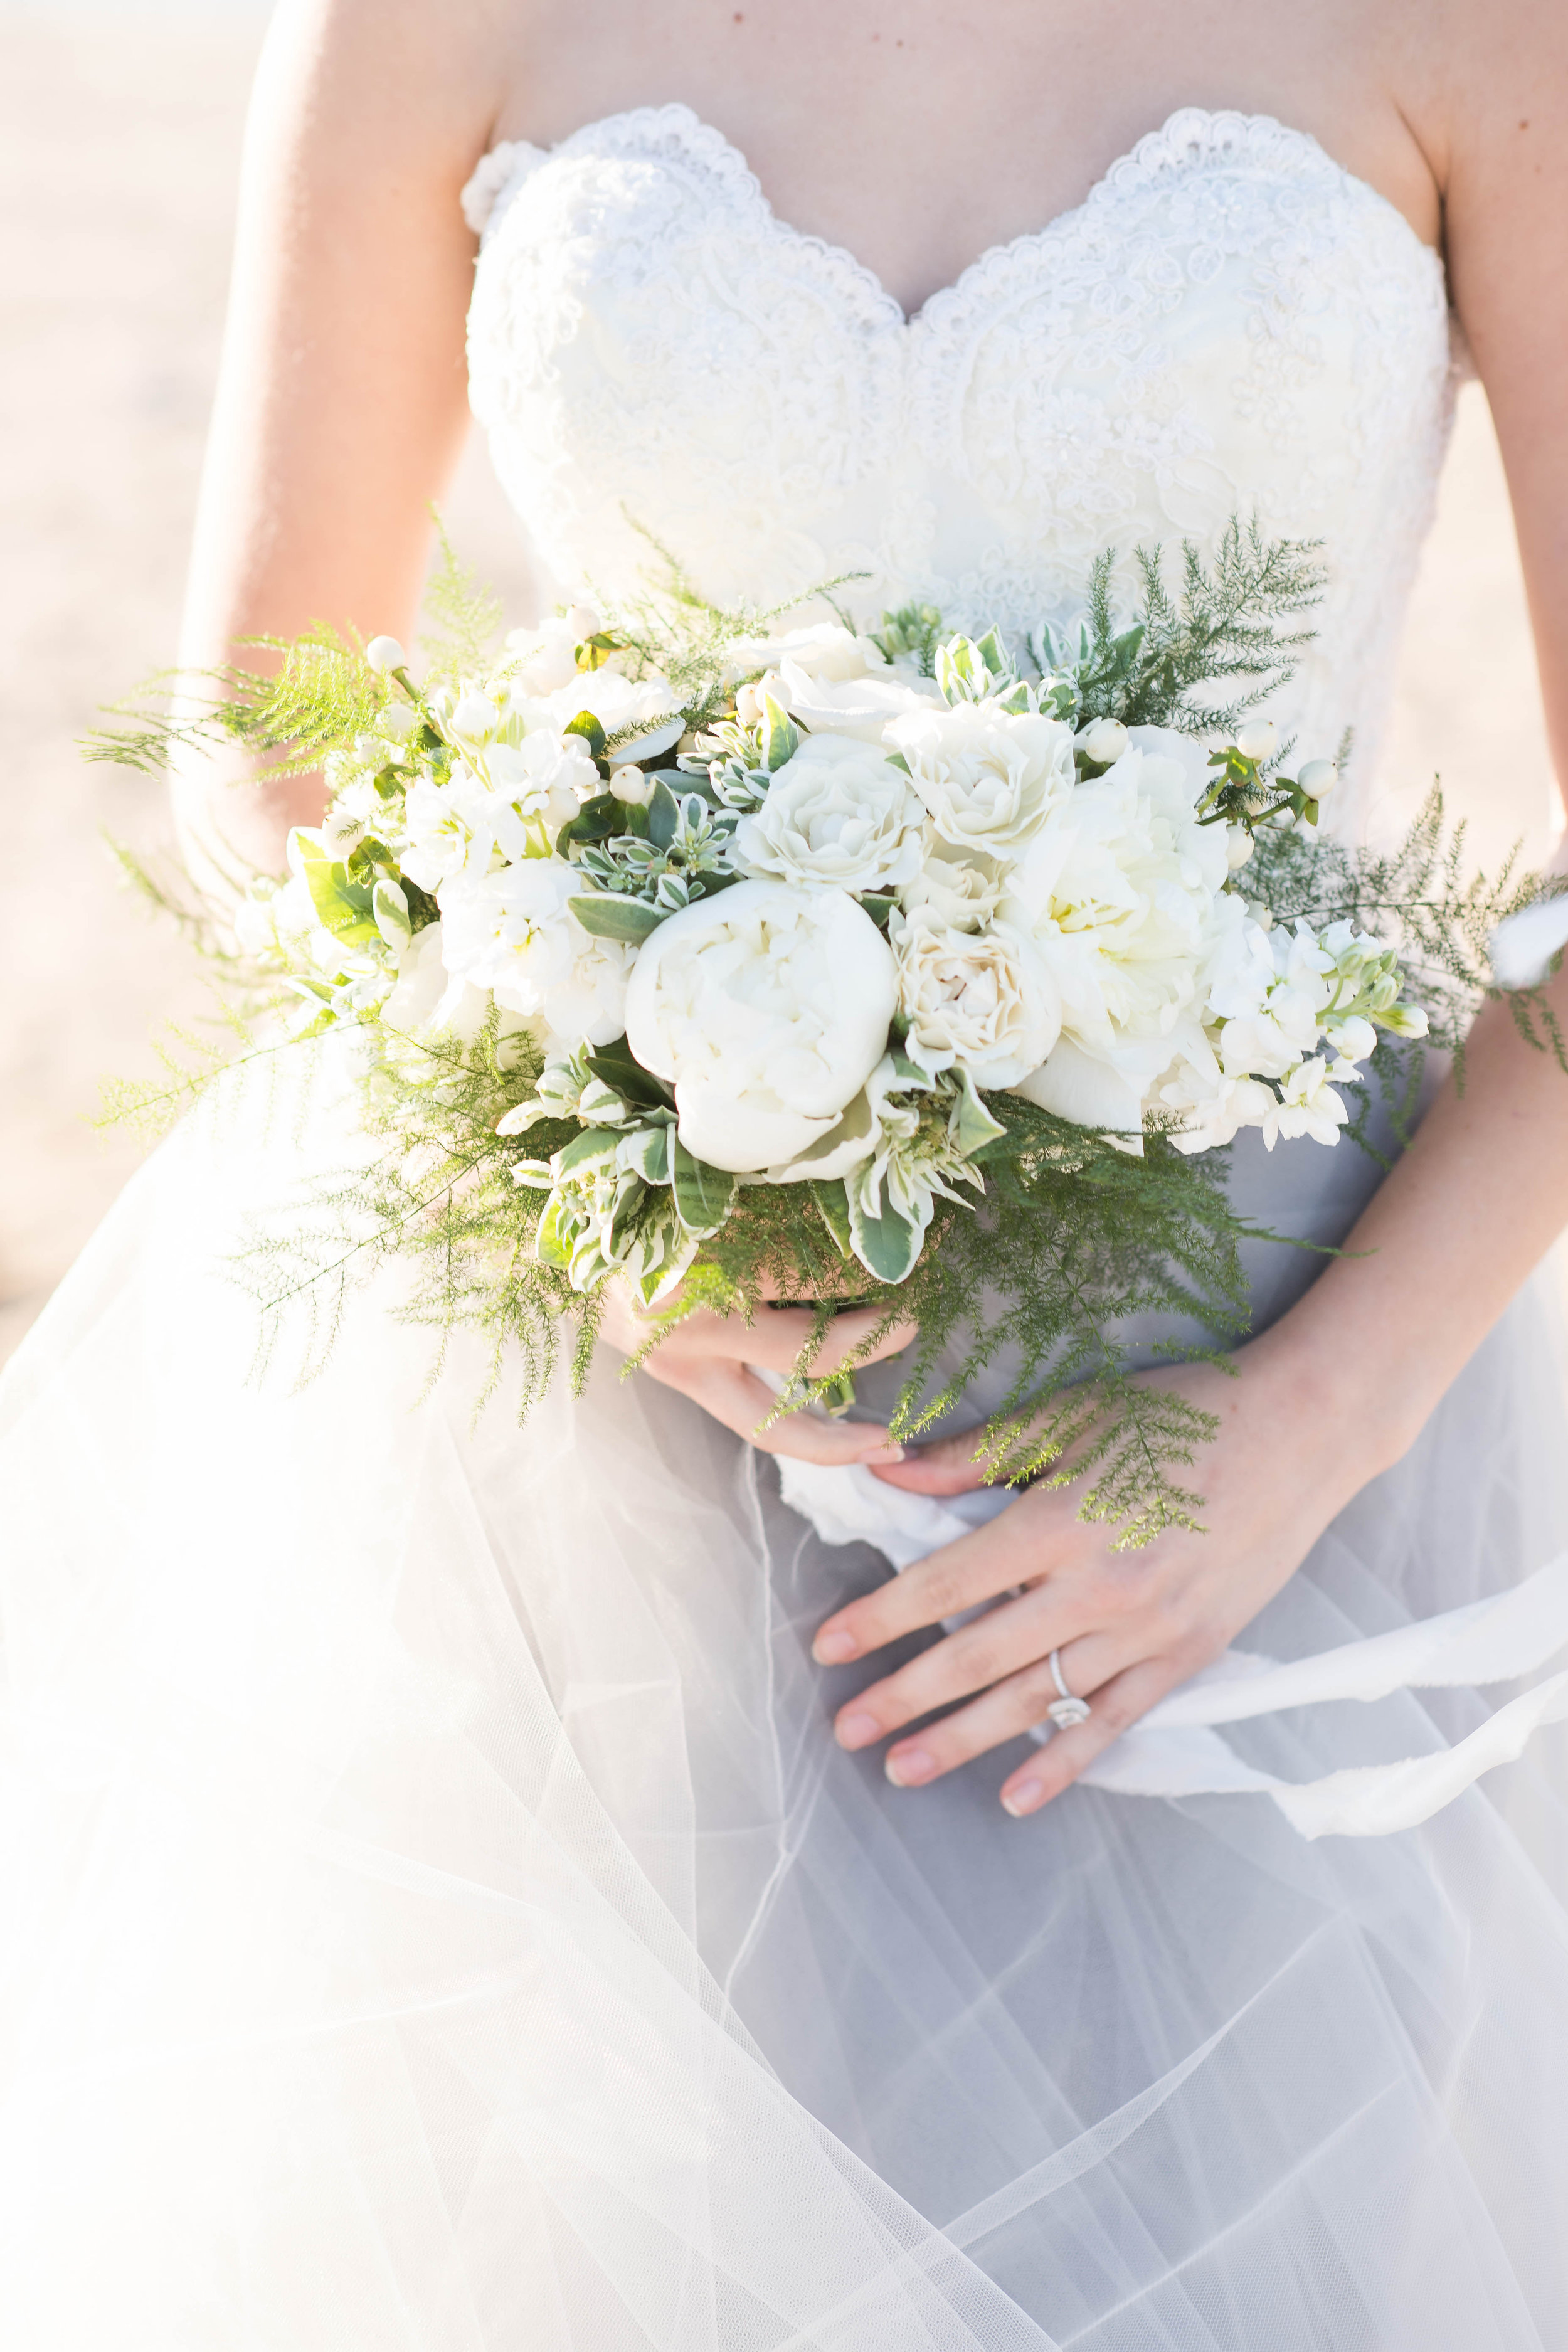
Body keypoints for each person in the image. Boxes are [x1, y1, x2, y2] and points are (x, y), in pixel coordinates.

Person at [4, 0, 1568, 2341]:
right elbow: (273, 718)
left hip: (1252, 1396)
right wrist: (555, 1181)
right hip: (603, 1388)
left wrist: (1303, 1435)